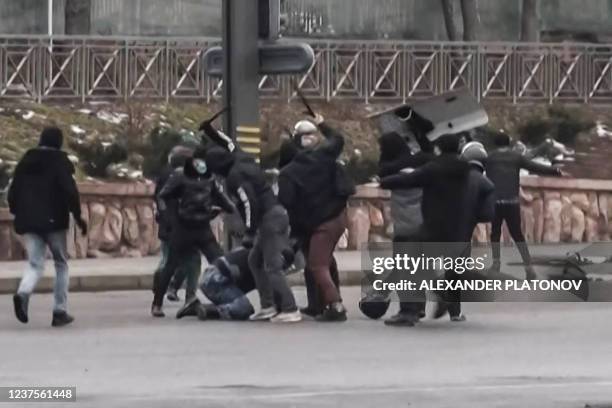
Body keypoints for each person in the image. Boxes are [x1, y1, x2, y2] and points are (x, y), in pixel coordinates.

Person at [380, 134, 495, 324]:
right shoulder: (466, 170)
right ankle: (446, 298)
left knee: (408, 264)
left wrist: (384, 181)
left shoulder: (434, 169)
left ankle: (409, 311)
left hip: (434, 227)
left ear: (439, 148)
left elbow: (410, 179)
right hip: (458, 230)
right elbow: (486, 191)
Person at [202, 122, 301, 323]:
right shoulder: (240, 157)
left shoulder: (235, 177)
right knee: (254, 261)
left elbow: (250, 204)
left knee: (272, 266)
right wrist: (211, 131)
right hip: (272, 215)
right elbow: (229, 142)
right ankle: (268, 306)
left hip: (269, 219)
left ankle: (290, 308)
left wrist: (249, 231)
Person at [8, 127, 87, 327]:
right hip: (54, 221)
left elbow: (13, 191)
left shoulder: (26, 161)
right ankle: (59, 311)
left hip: (29, 221)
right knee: (61, 263)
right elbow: (70, 192)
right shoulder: (60, 162)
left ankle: (23, 293)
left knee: (35, 263)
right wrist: (78, 217)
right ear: (58, 142)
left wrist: (18, 212)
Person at [278, 114, 353, 322]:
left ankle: (335, 305)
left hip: (317, 224)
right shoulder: (324, 157)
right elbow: (338, 138)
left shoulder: (288, 173)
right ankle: (320, 303)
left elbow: (286, 201)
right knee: (325, 260)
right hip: (337, 217)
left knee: (317, 265)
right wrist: (322, 122)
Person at [151, 148, 235, 318]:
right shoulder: (179, 175)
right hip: (183, 227)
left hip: (203, 227)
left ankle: (227, 299)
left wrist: (230, 207)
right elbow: (162, 196)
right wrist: (169, 217)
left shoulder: (209, 177)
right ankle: (157, 303)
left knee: (220, 262)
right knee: (171, 265)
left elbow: (218, 195)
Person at [485, 132, 566, 279]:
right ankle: (528, 267)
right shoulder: (516, 157)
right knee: (517, 234)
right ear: (508, 143)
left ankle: (496, 263)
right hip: (512, 201)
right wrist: (555, 171)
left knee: (495, 233)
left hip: (495, 201)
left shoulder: (489, 158)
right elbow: (535, 167)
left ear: (495, 143)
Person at [376, 131, 432, 326]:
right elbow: (428, 153)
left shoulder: (391, 173)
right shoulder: (423, 166)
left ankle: (407, 311)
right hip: (423, 224)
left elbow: (381, 173)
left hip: (405, 227)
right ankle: (419, 307)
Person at [181, 246, 296, 321]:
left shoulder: (261, 255)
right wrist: (287, 308)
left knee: (240, 306)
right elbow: (275, 292)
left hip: (213, 277)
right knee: (244, 308)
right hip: (216, 279)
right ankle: (205, 309)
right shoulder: (265, 263)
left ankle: (196, 308)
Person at [154, 145, 202, 303]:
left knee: (172, 259)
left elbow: (159, 198)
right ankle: (181, 292)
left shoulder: (165, 174)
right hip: (180, 225)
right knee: (187, 260)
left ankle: (164, 289)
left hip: (170, 224)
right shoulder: (182, 177)